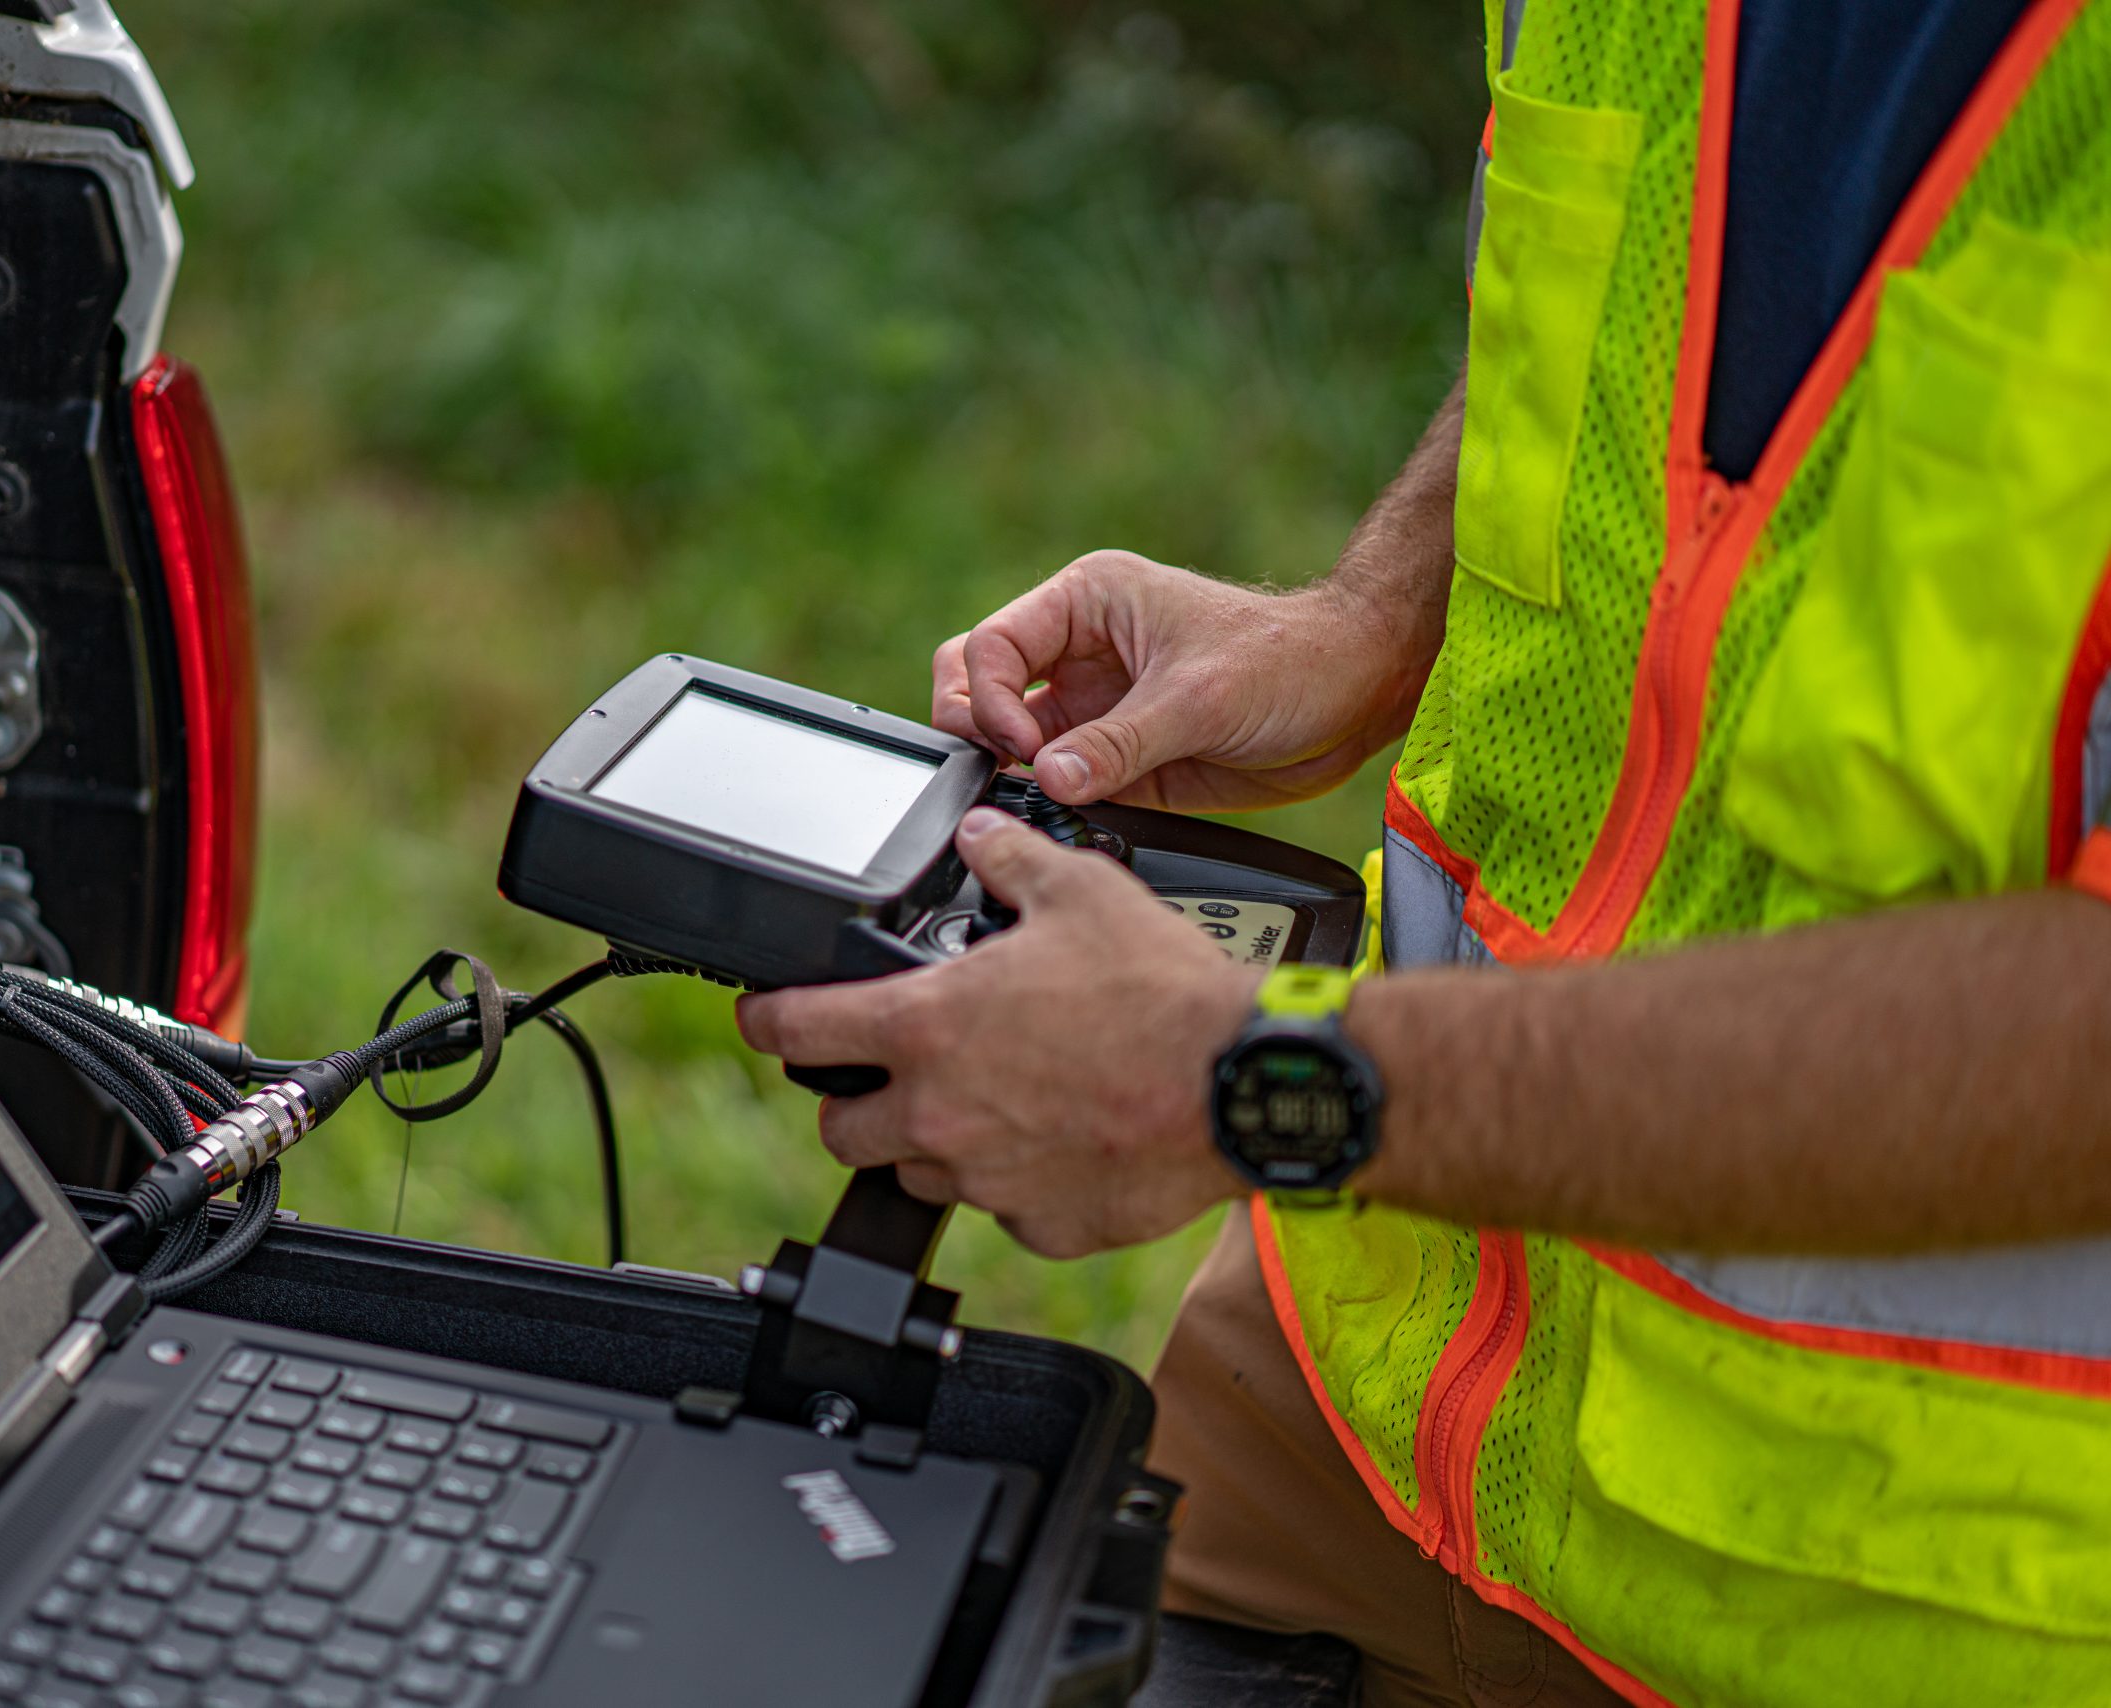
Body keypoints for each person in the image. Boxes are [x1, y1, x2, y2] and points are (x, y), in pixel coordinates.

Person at [736, 2, 2111, 1702]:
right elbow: (1628, 338)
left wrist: (1250, 1087)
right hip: (1351, 1388)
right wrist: (1375, 616)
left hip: (1909, 1617)